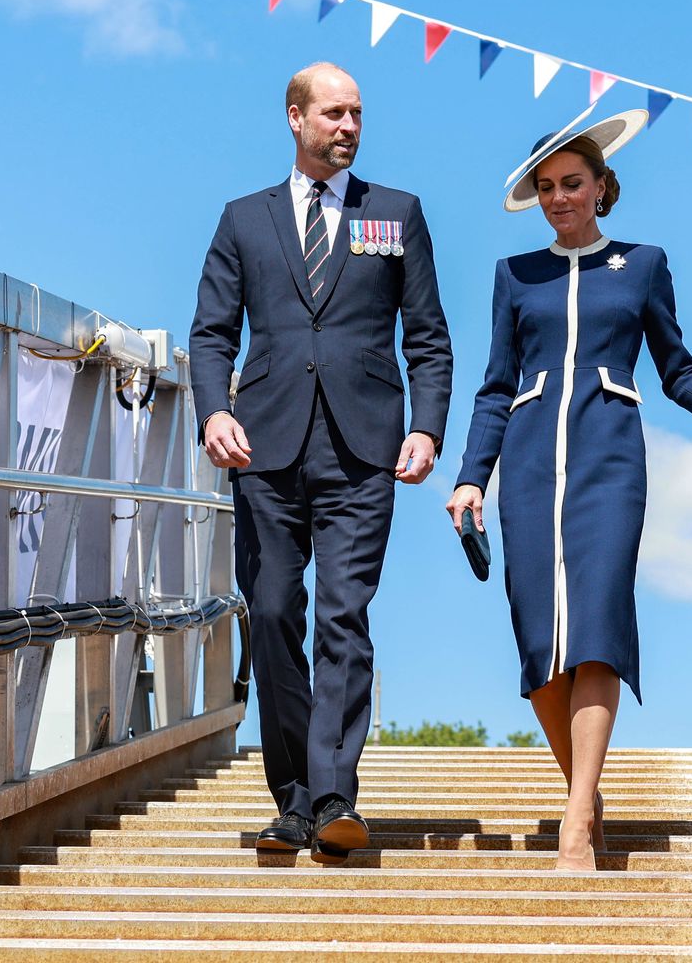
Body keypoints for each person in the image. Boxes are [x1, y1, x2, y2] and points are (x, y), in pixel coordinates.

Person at [445, 109, 692, 871]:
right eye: (546, 187)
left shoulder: (643, 264)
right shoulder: (515, 276)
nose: (559, 198)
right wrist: (467, 479)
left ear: (602, 186)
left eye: (572, 183)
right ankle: (587, 794)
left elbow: (674, 365)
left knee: (596, 627)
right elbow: (493, 389)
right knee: (538, 641)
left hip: (609, 456)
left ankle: (576, 820)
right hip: (525, 461)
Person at [189, 62, 453, 864]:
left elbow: (428, 338)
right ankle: (293, 797)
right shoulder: (243, 219)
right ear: (295, 117)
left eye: (358, 114)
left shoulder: (396, 213)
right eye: (334, 113)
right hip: (263, 448)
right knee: (270, 612)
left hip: (364, 448)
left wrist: (428, 427)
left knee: (344, 615)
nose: (349, 127)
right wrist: (214, 410)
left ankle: (333, 795)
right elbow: (209, 336)